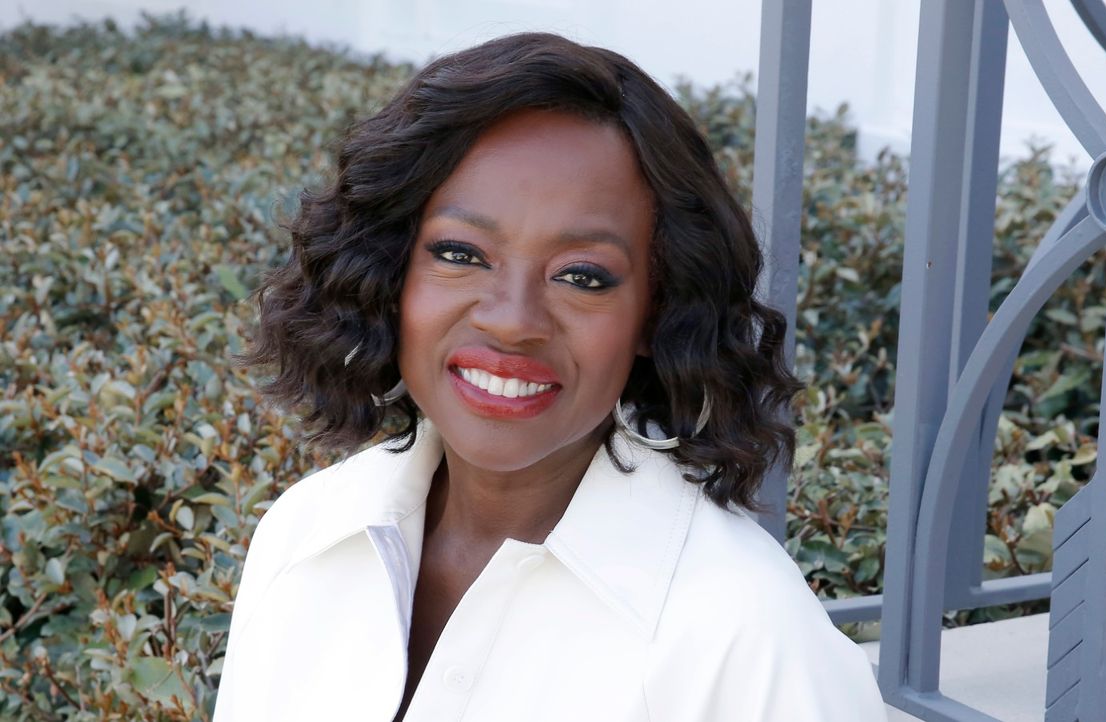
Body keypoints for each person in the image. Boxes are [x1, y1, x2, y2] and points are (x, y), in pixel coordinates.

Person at [214, 31, 886, 722]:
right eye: (460, 253)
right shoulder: (305, 533)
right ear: (390, 274)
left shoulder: (742, 632)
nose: (512, 321)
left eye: (582, 276)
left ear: (656, 313)